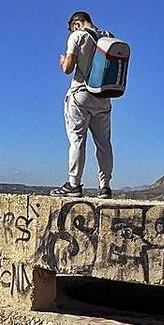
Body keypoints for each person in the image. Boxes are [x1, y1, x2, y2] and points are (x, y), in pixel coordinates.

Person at [51, 11, 114, 199]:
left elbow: (68, 69)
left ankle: (74, 185)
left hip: (81, 94)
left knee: (77, 139)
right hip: (104, 96)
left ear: (76, 23)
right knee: (104, 144)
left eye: (71, 26)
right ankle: (105, 187)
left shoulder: (77, 36)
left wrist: (63, 61)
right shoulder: (108, 36)